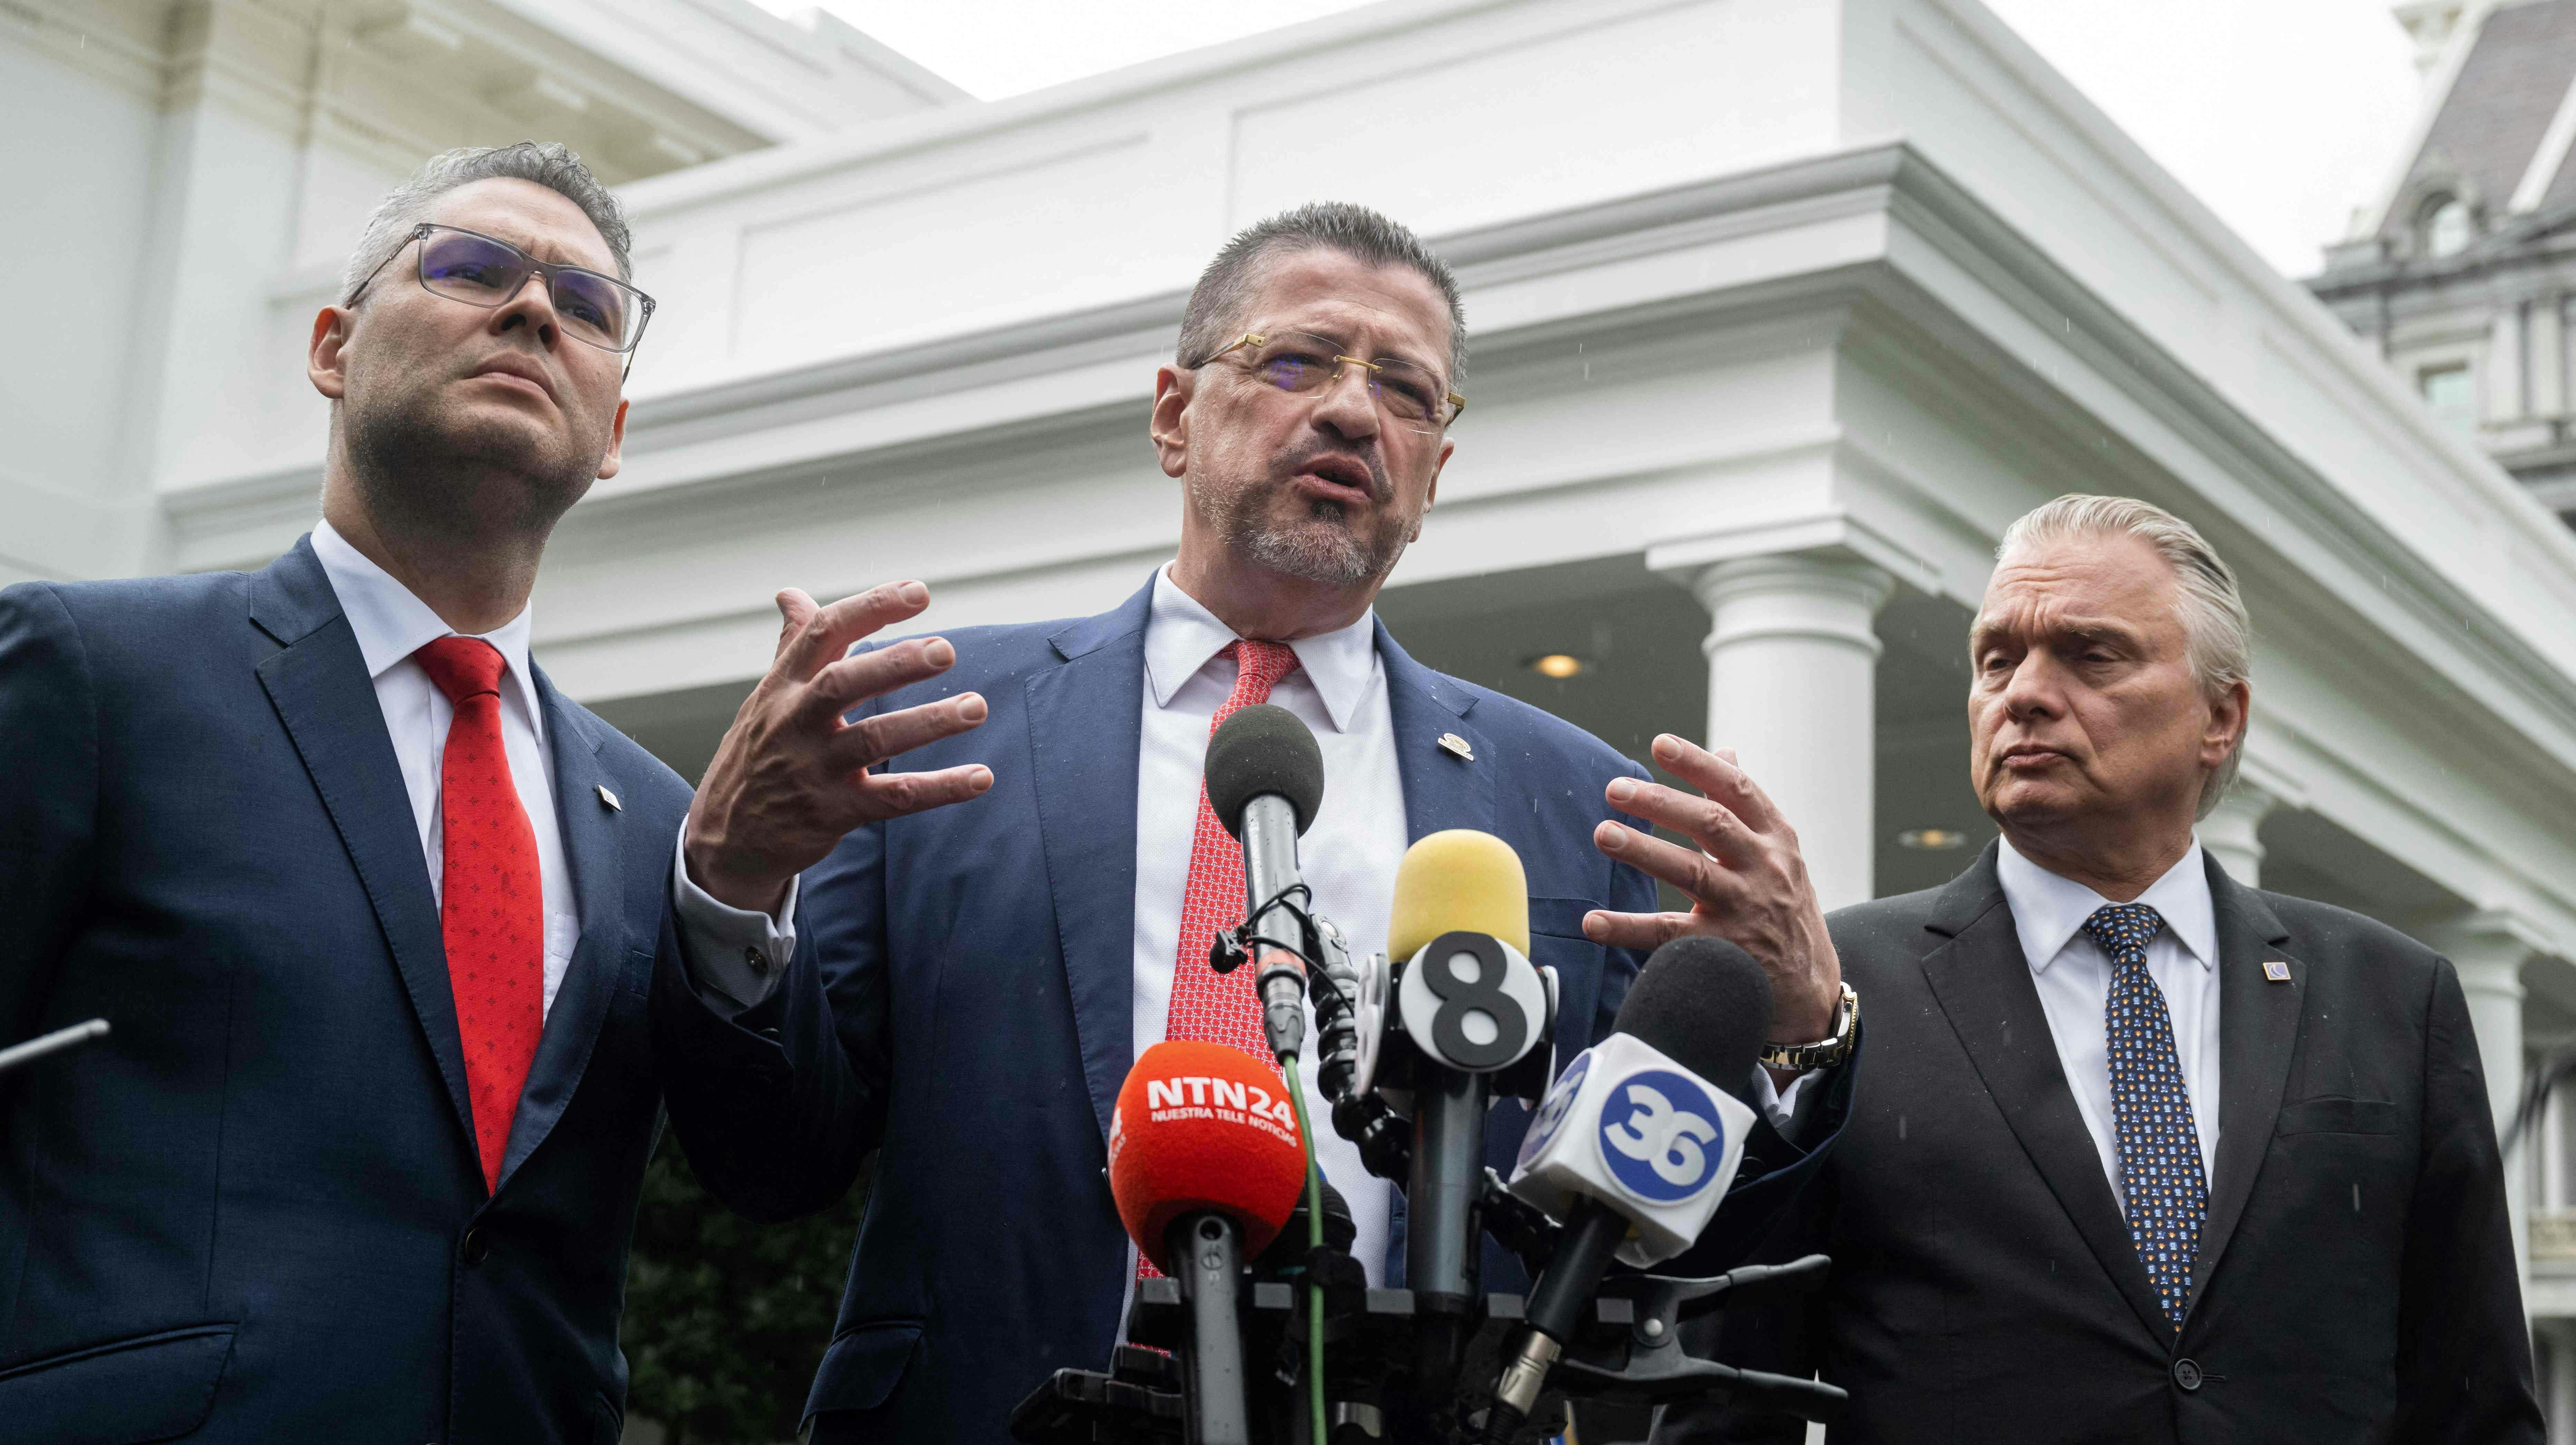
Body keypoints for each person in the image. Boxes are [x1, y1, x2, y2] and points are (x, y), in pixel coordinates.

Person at [660, 202, 1857, 1441]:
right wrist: (730, 889)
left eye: (1406, 390)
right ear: (1175, 417)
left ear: (1435, 474)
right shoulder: (939, 721)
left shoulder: (1574, 798)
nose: (1352, 411)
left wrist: (1802, 1038)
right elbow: (771, 1158)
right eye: (1297, 361)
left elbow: (1679, 1244)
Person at [0, 143, 978, 1443]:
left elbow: (777, 1169)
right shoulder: (91, 672)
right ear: (334, 348)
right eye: (472, 267)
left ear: (614, 433)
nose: (533, 311)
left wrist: (736, 883)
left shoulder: (654, 818)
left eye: (589, 308)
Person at [1649, 495, 2541, 1444]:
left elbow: (2474, 1404)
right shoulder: (1838, 984)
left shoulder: (2392, 995)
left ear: (2221, 717)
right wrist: (1796, 1048)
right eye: (1997, 657)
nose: (2023, 692)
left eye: (2091, 654)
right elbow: (1733, 1387)